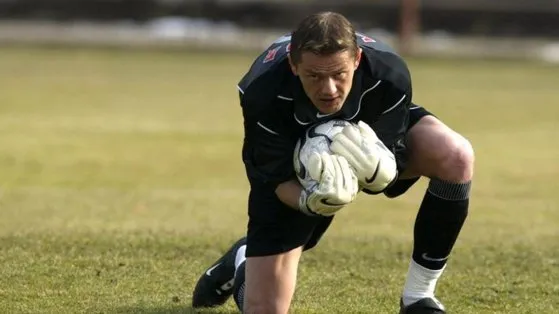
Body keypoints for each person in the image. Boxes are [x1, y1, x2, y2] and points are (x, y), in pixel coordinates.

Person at [191, 11, 474, 314]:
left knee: (455, 154)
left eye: (339, 74)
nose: (328, 89)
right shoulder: (263, 92)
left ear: (356, 60)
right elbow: (273, 179)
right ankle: (244, 259)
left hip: (366, 124)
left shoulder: (388, 76)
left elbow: (389, 170)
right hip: (290, 154)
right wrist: (310, 201)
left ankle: (419, 297)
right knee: (266, 307)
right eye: (314, 76)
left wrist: (378, 170)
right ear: (293, 65)